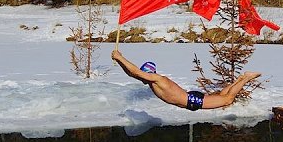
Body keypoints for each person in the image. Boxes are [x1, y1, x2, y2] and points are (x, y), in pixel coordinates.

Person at [111, 49, 261, 111]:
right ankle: (241, 78)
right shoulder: (152, 82)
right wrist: (119, 61)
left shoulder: (157, 79)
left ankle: (245, 78)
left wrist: (120, 57)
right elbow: (133, 74)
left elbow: (136, 71)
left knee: (227, 99)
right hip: (190, 99)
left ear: (149, 73)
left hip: (191, 100)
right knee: (222, 97)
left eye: (143, 75)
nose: (140, 77)